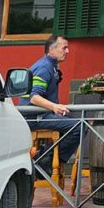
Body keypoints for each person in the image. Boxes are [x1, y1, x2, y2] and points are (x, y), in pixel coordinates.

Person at [25, 34, 81, 165]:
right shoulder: (44, 68)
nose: (67, 51)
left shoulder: (50, 66)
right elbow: (34, 97)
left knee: (79, 119)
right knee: (80, 126)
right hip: (35, 117)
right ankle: (44, 160)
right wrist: (54, 107)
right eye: (64, 48)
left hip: (43, 115)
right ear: (51, 49)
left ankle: (47, 158)